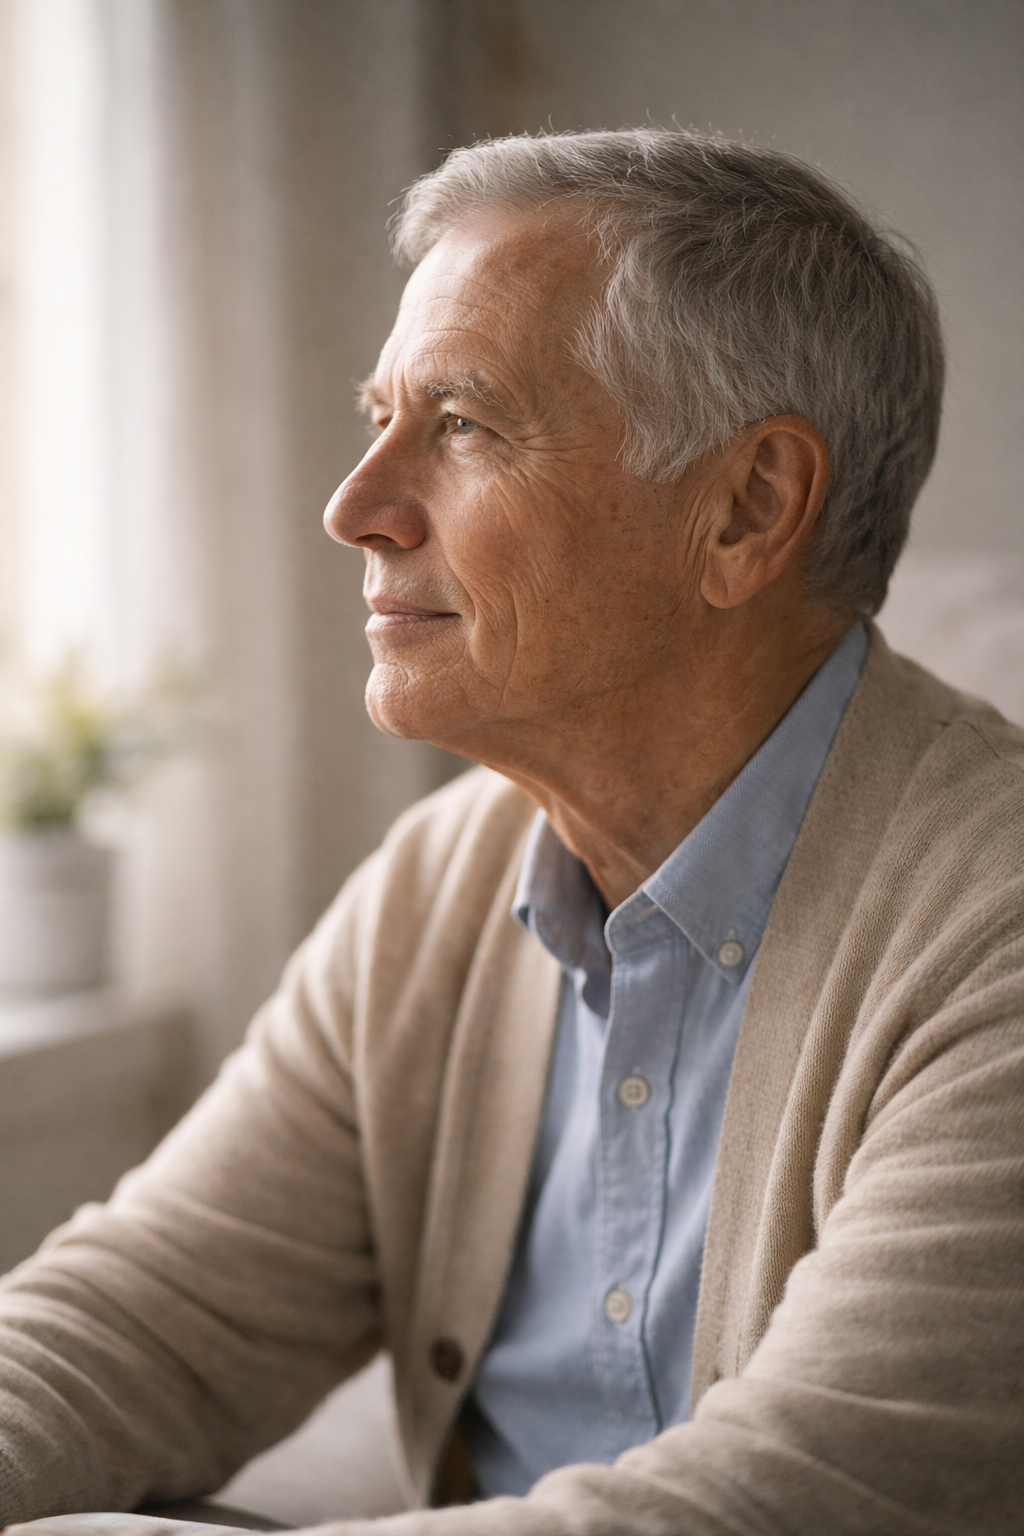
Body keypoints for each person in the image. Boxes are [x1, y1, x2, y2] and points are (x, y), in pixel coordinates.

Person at [1, 130, 1021, 1536]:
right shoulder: (439, 885)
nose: (355, 508)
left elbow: (794, 1501)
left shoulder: (995, 932)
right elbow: (149, 1314)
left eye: (465, 423)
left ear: (748, 508)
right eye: (381, 418)